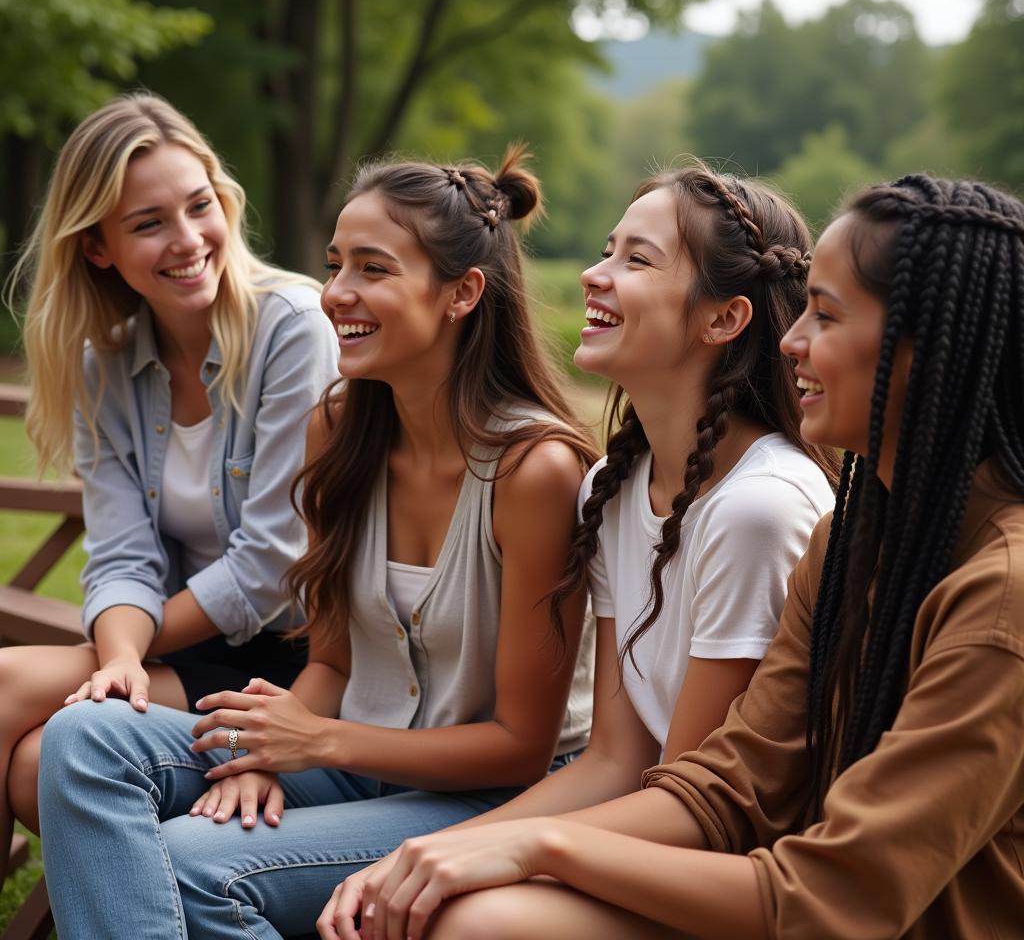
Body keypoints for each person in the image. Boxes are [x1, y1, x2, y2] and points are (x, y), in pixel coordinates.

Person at [330, 173, 1024, 940]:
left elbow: (835, 898)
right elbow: (723, 787)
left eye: (825, 316)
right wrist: (453, 849)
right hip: (750, 879)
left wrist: (535, 846)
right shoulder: (849, 543)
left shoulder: (1003, 599)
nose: (791, 338)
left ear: (934, 354)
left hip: (802, 905)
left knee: (474, 922)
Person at [37, 146, 599, 940]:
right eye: (336, 265)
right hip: (348, 767)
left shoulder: (533, 471)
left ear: (461, 293)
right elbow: (333, 661)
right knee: (82, 739)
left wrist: (312, 741)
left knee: (196, 864)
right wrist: (267, 749)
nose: (335, 294)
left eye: (373, 269)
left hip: (485, 798)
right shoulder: (336, 429)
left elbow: (519, 747)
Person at [0, 93, 337, 878]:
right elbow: (119, 552)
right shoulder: (104, 364)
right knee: (25, 748)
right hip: (195, 648)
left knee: (29, 732)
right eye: (149, 223)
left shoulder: (294, 326)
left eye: (199, 207)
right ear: (97, 248)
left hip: (312, 661)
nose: (188, 241)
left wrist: (134, 646)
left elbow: (272, 565)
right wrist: (118, 657)